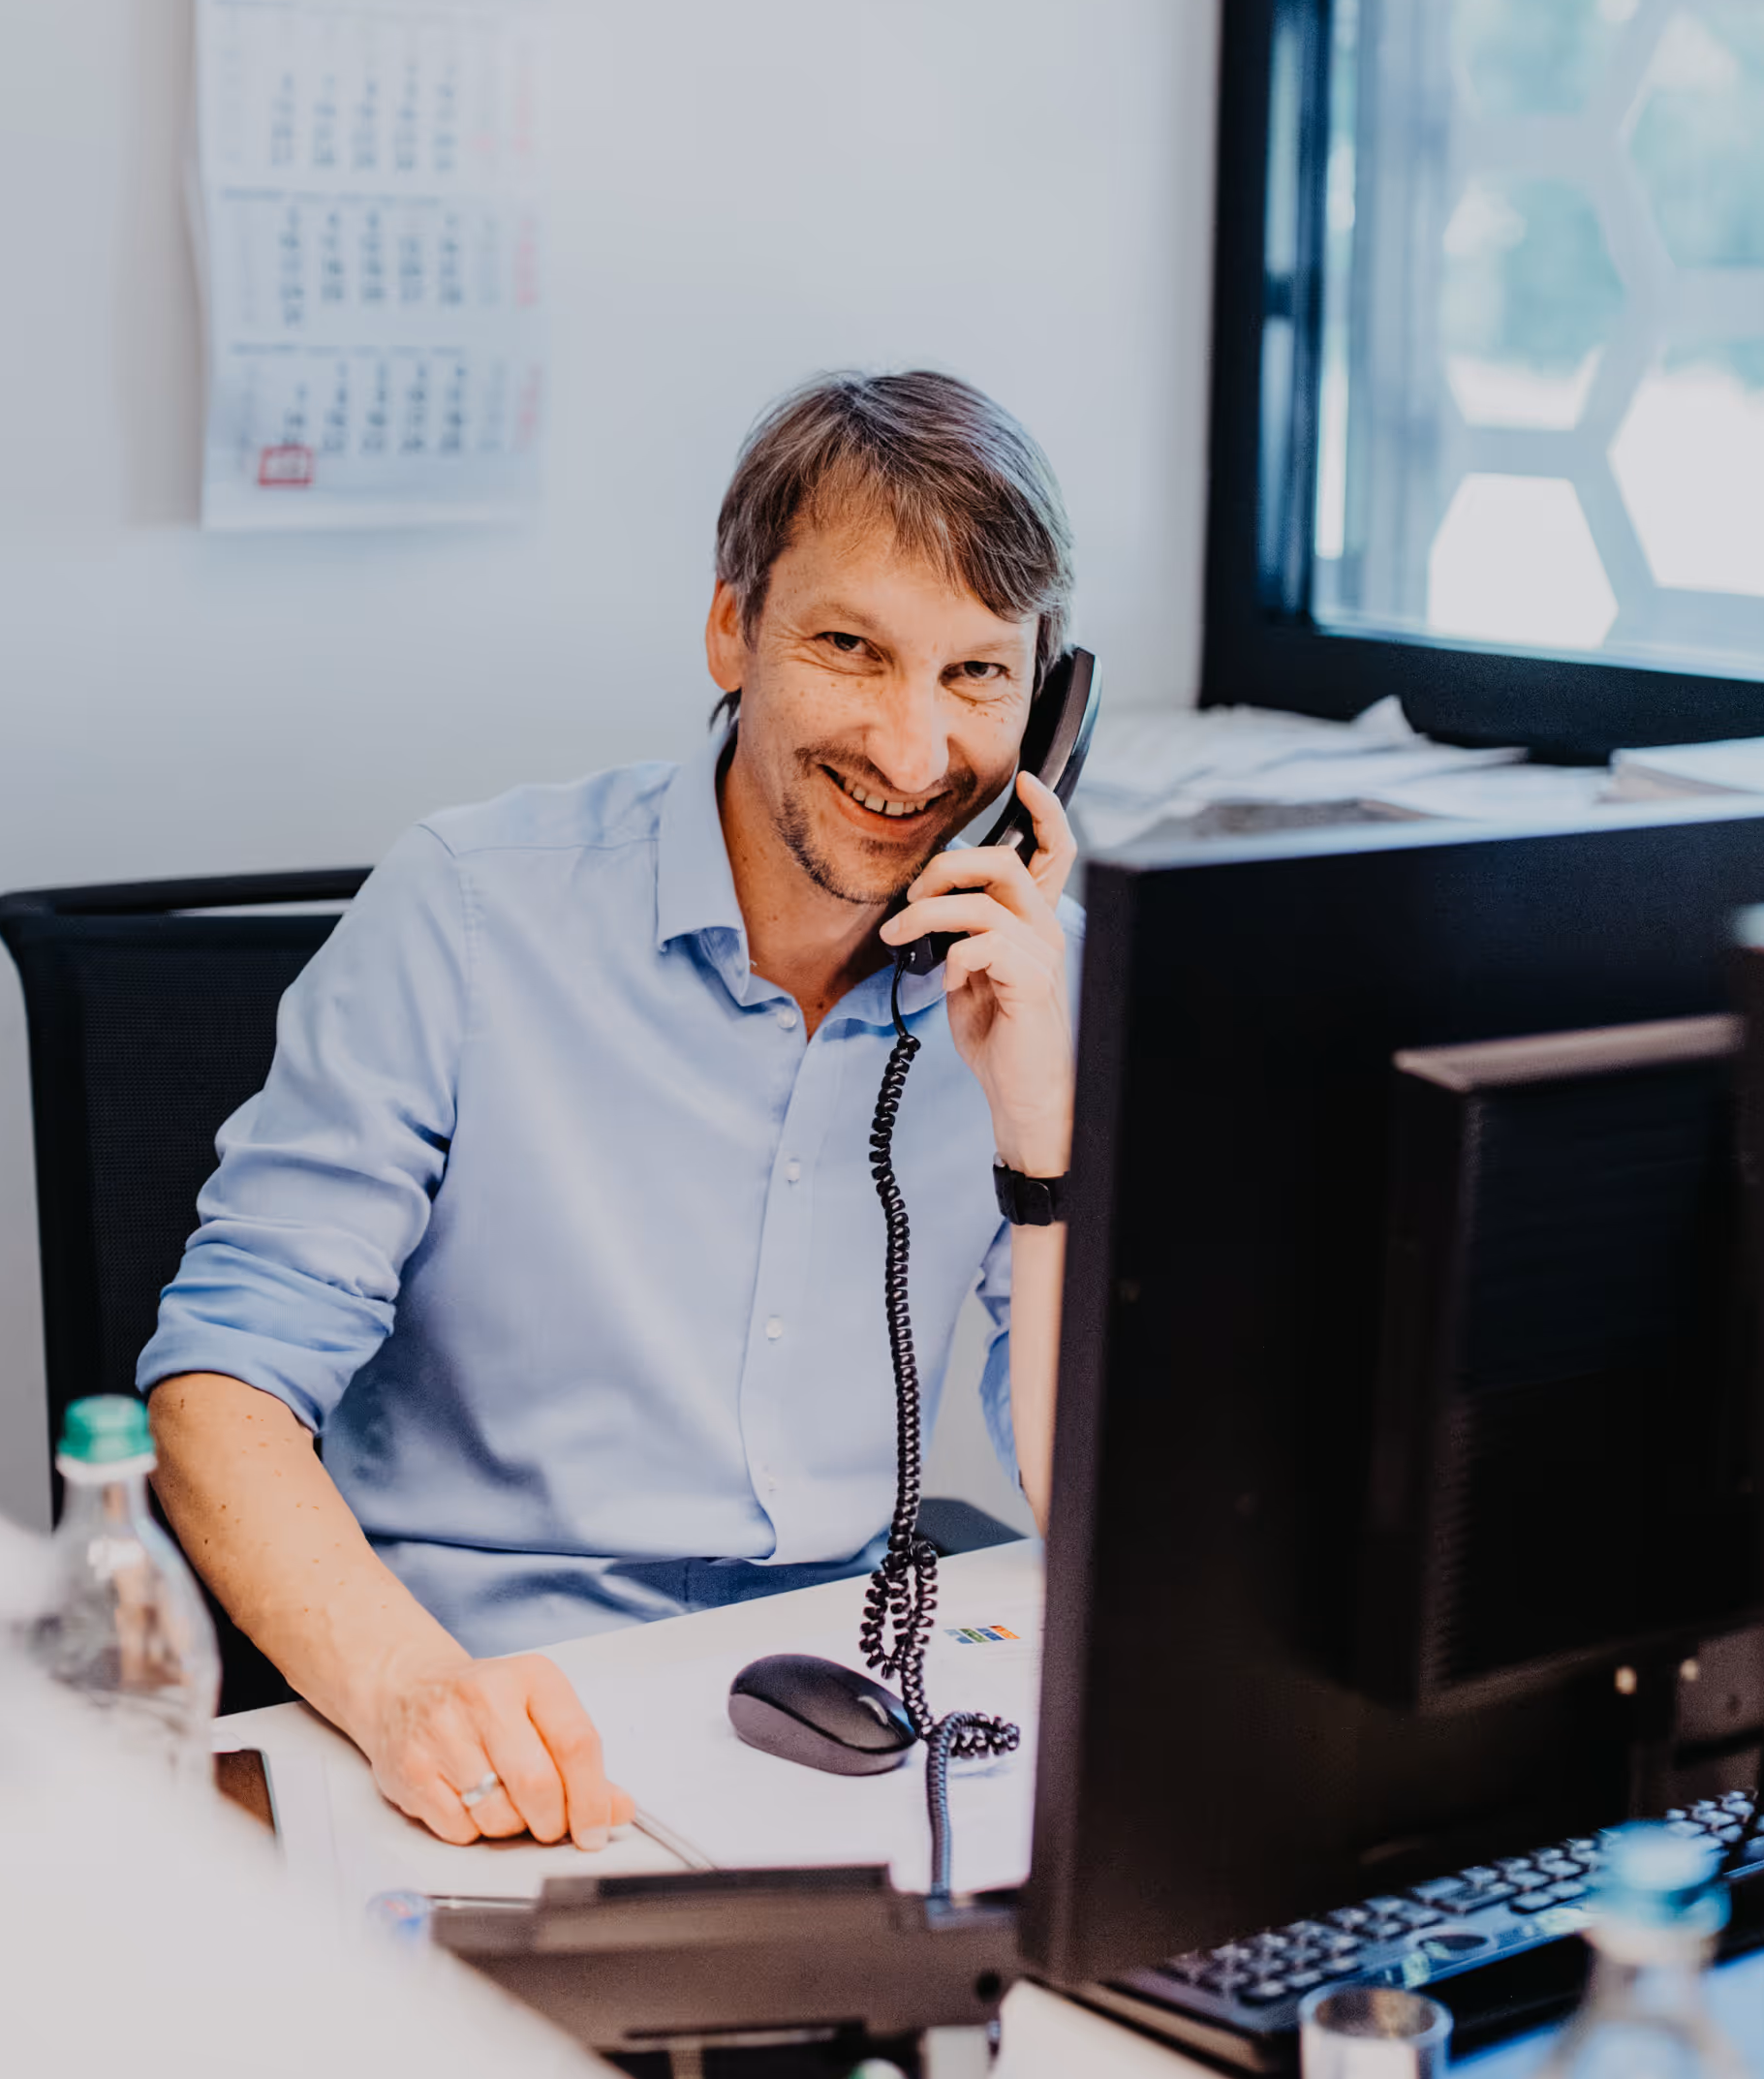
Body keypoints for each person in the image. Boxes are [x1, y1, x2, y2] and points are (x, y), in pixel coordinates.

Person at [140, 370, 1084, 1858]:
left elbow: (1091, 1501)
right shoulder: (468, 913)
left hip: (826, 1724)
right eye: (852, 648)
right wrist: (408, 1692)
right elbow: (216, 1397)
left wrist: (1044, 1150)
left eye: (978, 674)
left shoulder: (1028, 985)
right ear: (732, 629)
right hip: (482, 1726)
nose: (915, 754)